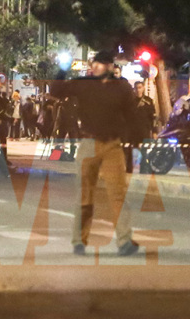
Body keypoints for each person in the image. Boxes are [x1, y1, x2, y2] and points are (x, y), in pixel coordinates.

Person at [50, 51, 141, 257]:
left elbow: (132, 116)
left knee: (118, 194)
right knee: (85, 194)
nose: (95, 67)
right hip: (88, 143)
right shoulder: (84, 84)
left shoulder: (122, 88)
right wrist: (63, 69)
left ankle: (125, 241)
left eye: (100, 64)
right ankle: (79, 241)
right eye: (94, 63)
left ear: (109, 66)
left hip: (112, 145)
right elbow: (56, 90)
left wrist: (138, 141)